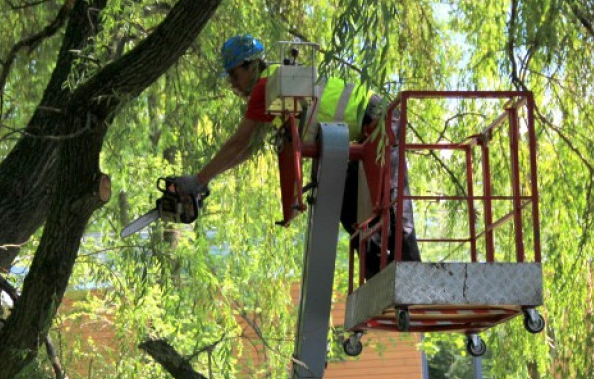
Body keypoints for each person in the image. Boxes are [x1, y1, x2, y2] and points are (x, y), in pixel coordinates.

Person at [173, 34, 420, 276]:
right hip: (356, 139)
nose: (233, 84)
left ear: (249, 66)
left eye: (234, 75)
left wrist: (199, 180)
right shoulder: (276, 89)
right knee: (352, 216)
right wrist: (205, 179)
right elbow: (247, 149)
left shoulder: (266, 85)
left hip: (376, 120)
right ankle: (381, 280)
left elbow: (238, 142)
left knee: (392, 205)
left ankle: (413, 279)